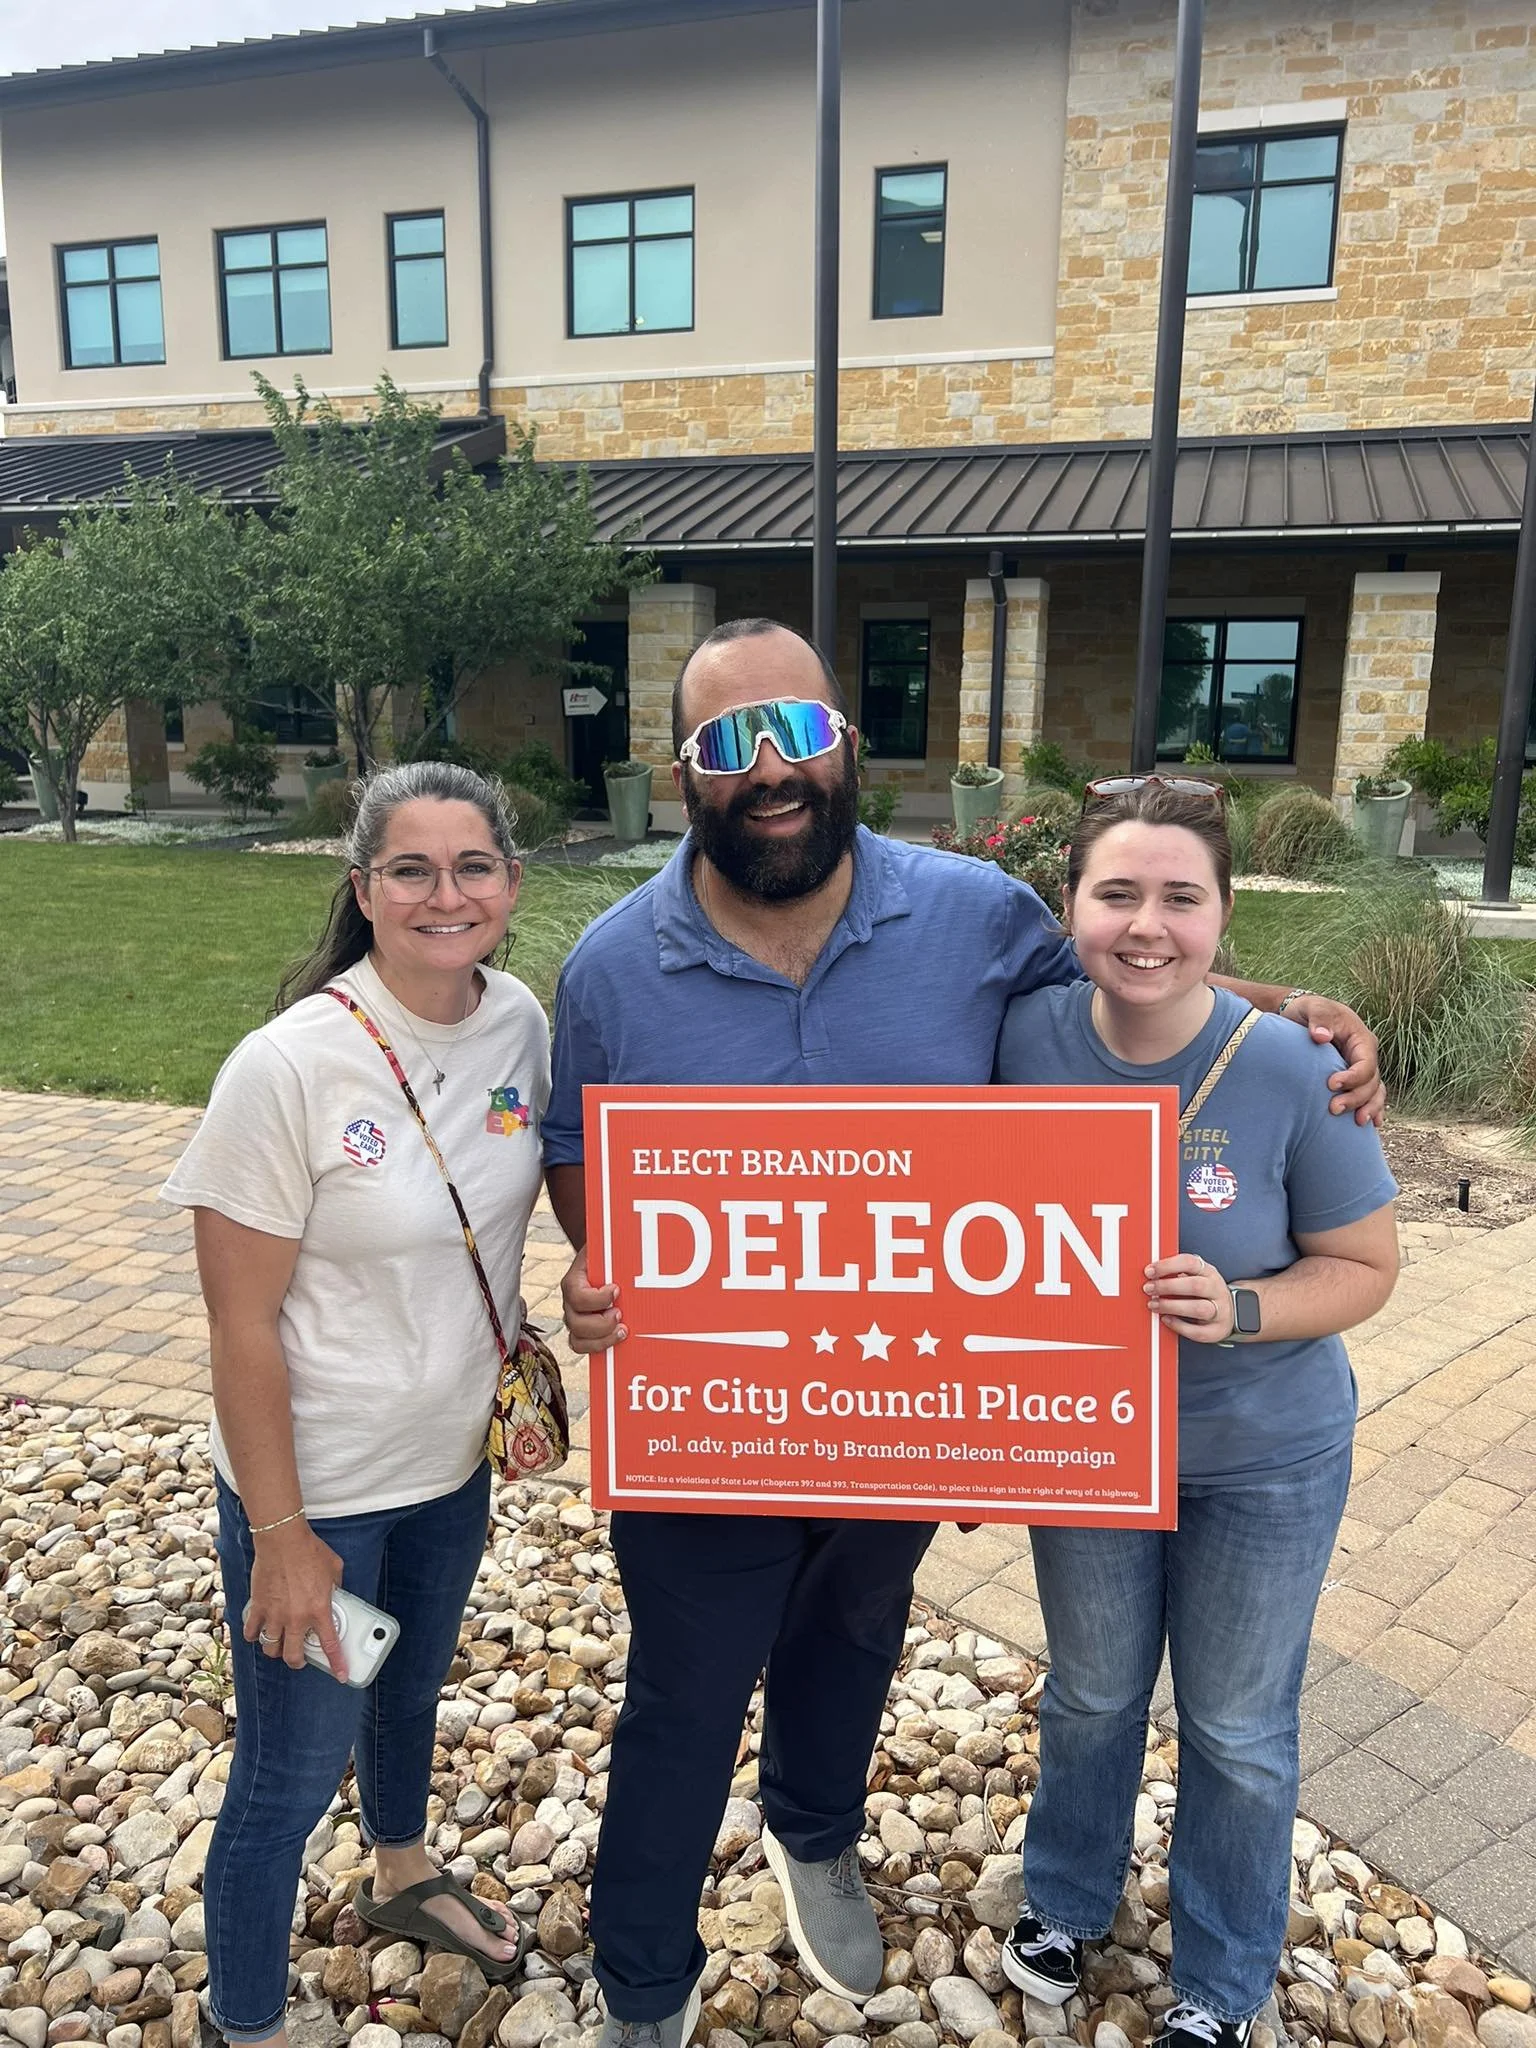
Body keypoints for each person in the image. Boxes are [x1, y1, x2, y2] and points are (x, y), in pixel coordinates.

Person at [545, 617, 1386, 2048]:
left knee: (856, 1637)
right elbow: (581, 1156)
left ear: (845, 743)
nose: (770, 770)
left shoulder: (972, 915)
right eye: (727, 744)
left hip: (898, 1407)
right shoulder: (615, 965)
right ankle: (641, 1974)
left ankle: (813, 1833)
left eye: (796, 732)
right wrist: (605, 1269)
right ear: (683, 769)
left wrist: (1289, 1012)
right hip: (716, 1413)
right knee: (683, 1697)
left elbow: (1136, 976)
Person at [994, 781, 1399, 2048]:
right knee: (1095, 1690)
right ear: (1072, 904)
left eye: (1182, 895)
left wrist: (1243, 1307)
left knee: (1235, 1721)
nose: (1147, 922)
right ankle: (1066, 1893)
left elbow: (1368, 1266)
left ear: (1226, 911)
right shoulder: (1019, 1038)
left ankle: (1223, 1976)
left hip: (1262, 1454)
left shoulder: (1291, 1064)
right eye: (1118, 892)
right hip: (1091, 1446)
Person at [161, 761, 551, 2048]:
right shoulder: (287, 1067)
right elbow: (239, 1324)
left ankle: (399, 1870)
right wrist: (282, 1534)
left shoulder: (520, 1026)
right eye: (412, 869)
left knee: (411, 1688)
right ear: (363, 887)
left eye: (473, 865)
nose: (447, 893)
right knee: (285, 1776)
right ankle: (246, 2019)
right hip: (320, 1492)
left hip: (450, 1466)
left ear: (510, 879)